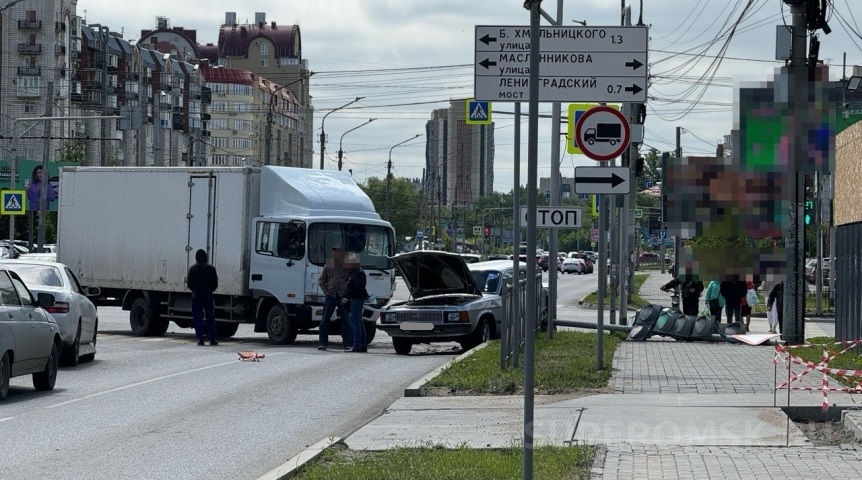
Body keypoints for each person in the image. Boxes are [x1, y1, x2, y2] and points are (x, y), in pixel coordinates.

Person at [317, 245, 350, 351]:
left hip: (342, 296)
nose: (337, 254)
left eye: (339, 252)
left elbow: (351, 280)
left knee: (346, 321)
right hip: (330, 296)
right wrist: (326, 291)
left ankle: (348, 344)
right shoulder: (328, 265)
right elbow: (322, 279)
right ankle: (322, 343)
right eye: (334, 252)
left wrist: (347, 293)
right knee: (324, 320)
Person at [187, 248, 219, 346]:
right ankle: (212, 338)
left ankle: (201, 339)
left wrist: (195, 290)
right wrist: (210, 290)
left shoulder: (192, 269)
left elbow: (189, 284)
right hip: (208, 295)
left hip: (196, 296)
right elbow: (215, 283)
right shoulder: (211, 269)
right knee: (210, 316)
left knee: (198, 317)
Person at [344, 253, 368, 353]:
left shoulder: (358, 272)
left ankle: (357, 345)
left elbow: (359, 288)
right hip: (356, 299)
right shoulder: (355, 271)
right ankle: (361, 344)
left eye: (348, 262)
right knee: (359, 322)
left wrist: (350, 296)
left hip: (356, 300)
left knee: (355, 323)